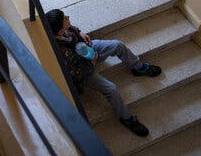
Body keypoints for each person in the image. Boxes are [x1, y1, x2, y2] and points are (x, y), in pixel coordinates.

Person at [44, 9, 162, 137]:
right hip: (83, 71)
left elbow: (70, 27)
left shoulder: (56, 27)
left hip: (85, 49)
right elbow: (75, 74)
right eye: (65, 18)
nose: (68, 17)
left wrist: (79, 32)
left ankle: (138, 67)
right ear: (60, 31)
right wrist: (92, 63)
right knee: (111, 89)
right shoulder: (59, 52)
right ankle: (126, 118)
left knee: (118, 45)